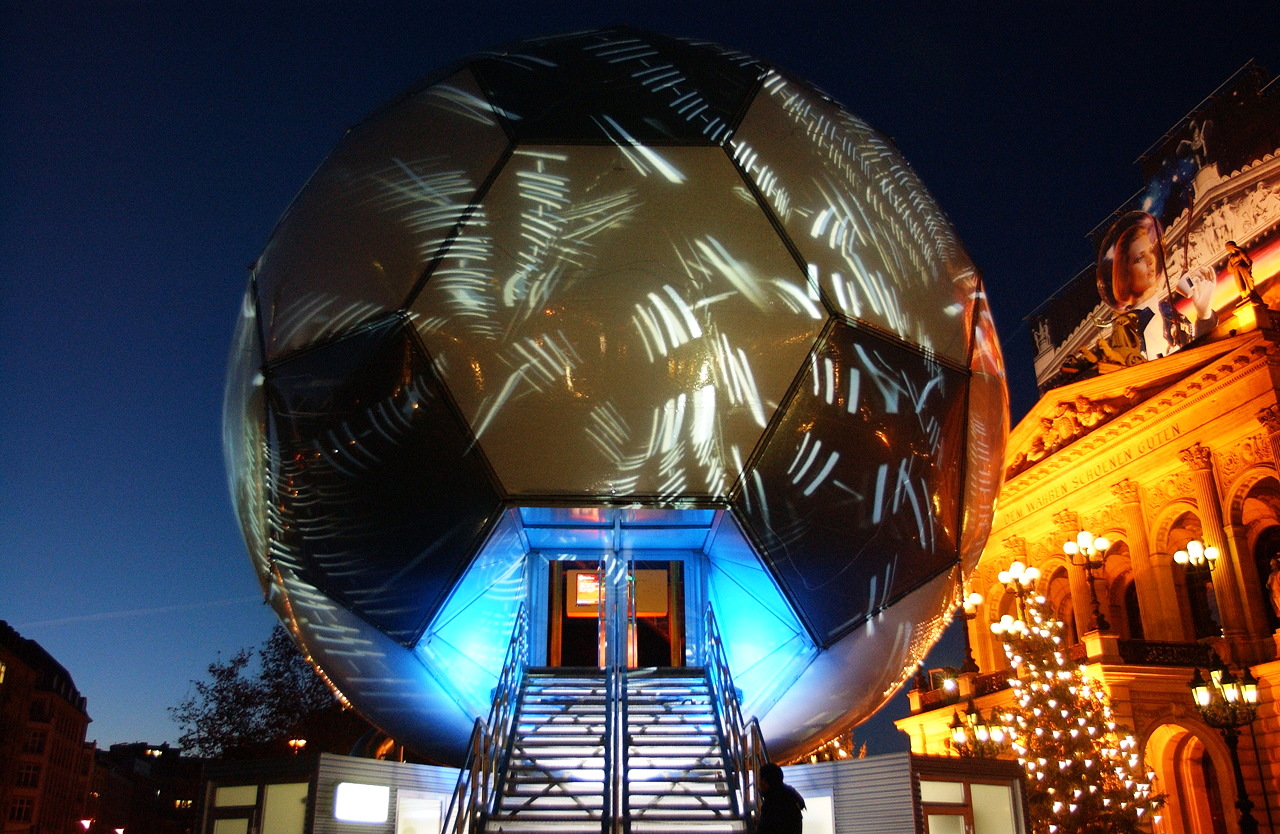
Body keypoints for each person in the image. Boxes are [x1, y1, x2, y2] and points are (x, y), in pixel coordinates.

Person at [758, 762, 805, 834]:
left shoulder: (772, 803)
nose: (759, 785)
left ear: (764, 781)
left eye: (760, 780)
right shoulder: (791, 795)